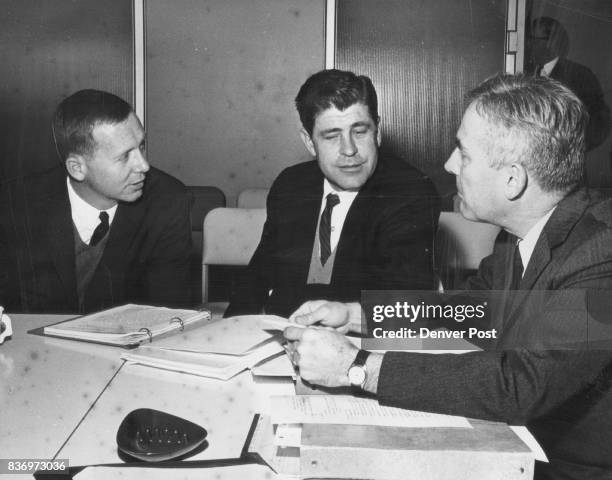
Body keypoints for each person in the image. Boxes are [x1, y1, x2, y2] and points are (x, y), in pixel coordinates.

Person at [285, 74, 612, 480]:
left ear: (513, 179)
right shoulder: (517, 238)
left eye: (464, 152)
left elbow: (520, 386)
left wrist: (357, 366)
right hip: (514, 448)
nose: (449, 164)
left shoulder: (602, 255)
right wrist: (355, 316)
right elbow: (466, 313)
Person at [225, 69, 440, 318]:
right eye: (331, 136)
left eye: (360, 132)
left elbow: (403, 305)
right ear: (309, 141)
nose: (349, 150)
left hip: (360, 342)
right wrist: (229, 335)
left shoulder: (411, 191)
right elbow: (258, 277)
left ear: (377, 132)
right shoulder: (291, 184)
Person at [0, 89, 192, 313]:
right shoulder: (15, 204)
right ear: (77, 168)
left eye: (141, 146)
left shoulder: (167, 200)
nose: (143, 166)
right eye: (124, 156)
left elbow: (168, 310)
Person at [525, 16, 610, 151]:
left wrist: (571, 150)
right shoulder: (526, 74)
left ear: (550, 43)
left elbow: (599, 123)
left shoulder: (580, 75)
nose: (528, 44)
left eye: (533, 40)